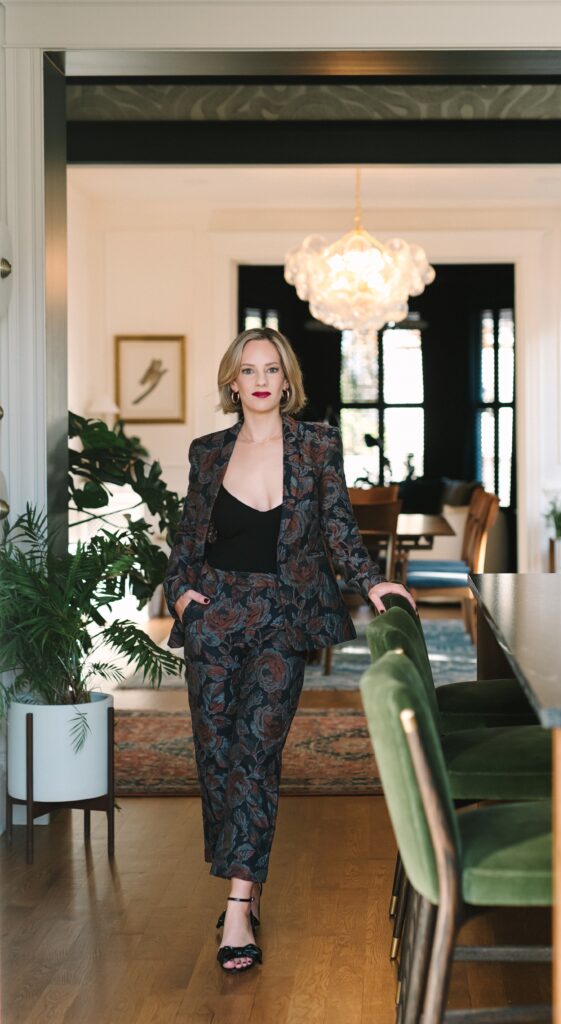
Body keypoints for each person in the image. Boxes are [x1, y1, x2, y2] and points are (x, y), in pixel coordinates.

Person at [163, 326, 416, 974]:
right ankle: (242, 874)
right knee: (216, 757)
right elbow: (189, 538)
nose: (259, 380)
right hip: (216, 617)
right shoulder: (208, 452)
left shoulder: (314, 445)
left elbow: (336, 528)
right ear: (232, 381)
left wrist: (371, 581)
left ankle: (240, 904)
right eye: (248, 369)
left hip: (283, 615)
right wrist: (182, 594)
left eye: (270, 369)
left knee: (255, 752)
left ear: (285, 378)